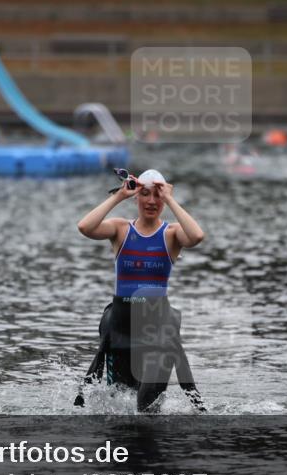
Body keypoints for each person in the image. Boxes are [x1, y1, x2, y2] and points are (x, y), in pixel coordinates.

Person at [74, 169, 206, 412]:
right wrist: (119, 196)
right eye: (145, 194)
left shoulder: (171, 234)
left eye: (158, 195)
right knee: (119, 405)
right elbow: (85, 226)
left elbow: (197, 235)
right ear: (136, 197)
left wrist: (171, 199)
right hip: (121, 330)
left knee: (148, 409)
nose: (152, 201)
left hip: (158, 331)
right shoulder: (120, 229)